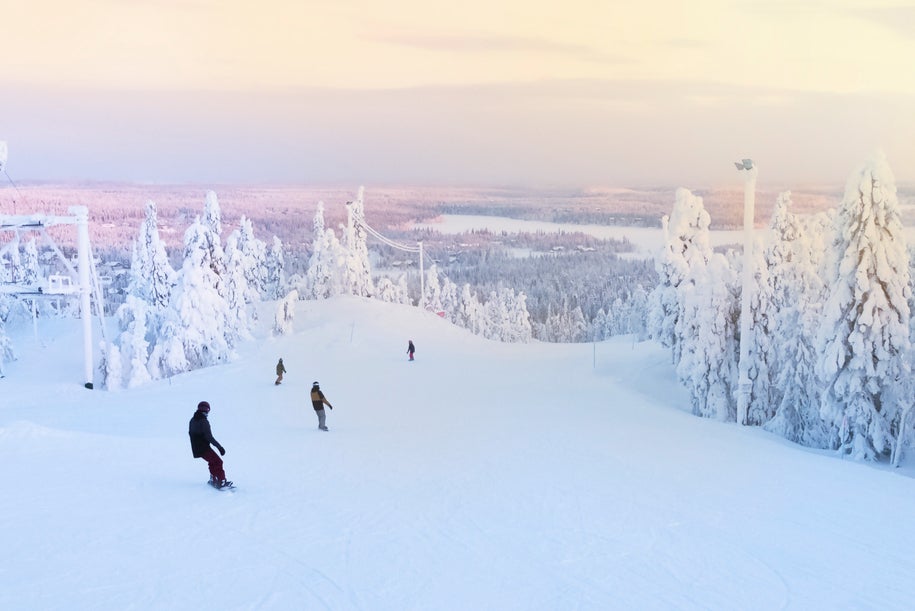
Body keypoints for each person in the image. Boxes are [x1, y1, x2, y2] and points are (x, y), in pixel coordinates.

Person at [188, 401, 232, 489]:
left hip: (197, 448)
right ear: (207, 410)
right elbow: (209, 437)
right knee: (218, 462)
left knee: (212, 461)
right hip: (203, 448)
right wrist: (220, 447)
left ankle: (214, 479)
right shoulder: (203, 421)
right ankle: (221, 481)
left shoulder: (192, 420)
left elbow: (190, 433)